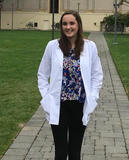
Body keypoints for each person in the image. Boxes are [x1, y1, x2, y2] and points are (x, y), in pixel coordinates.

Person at [37, 10, 103, 160]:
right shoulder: (52, 46)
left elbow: (97, 75)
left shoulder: (90, 46)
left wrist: (93, 96)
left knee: (75, 152)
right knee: (60, 153)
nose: (68, 27)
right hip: (58, 106)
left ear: (78, 25)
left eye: (72, 23)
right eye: (64, 24)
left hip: (79, 105)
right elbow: (42, 74)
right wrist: (46, 97)